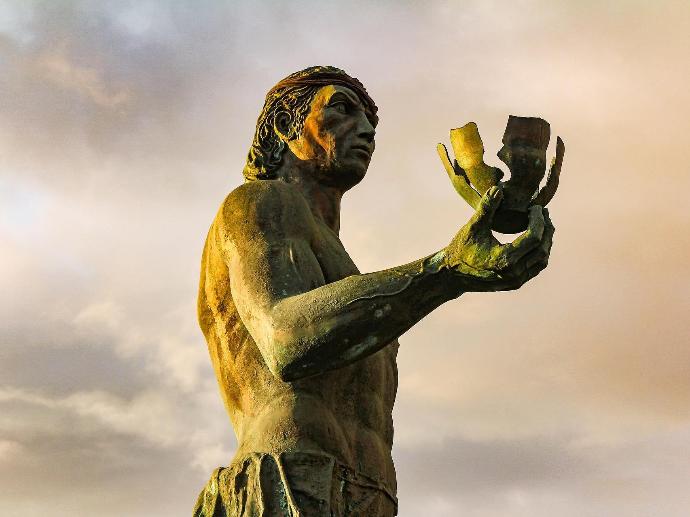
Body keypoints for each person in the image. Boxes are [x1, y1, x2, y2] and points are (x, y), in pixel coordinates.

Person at [194, 66, 554, 517]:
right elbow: (285, 340)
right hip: (292, 477)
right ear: (287, 126)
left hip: (369, 497)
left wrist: (456, 271)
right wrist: (447, 270)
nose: (365, 129)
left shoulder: (343, 265)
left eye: (371, 121)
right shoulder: (259, 202)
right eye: (342, 109)